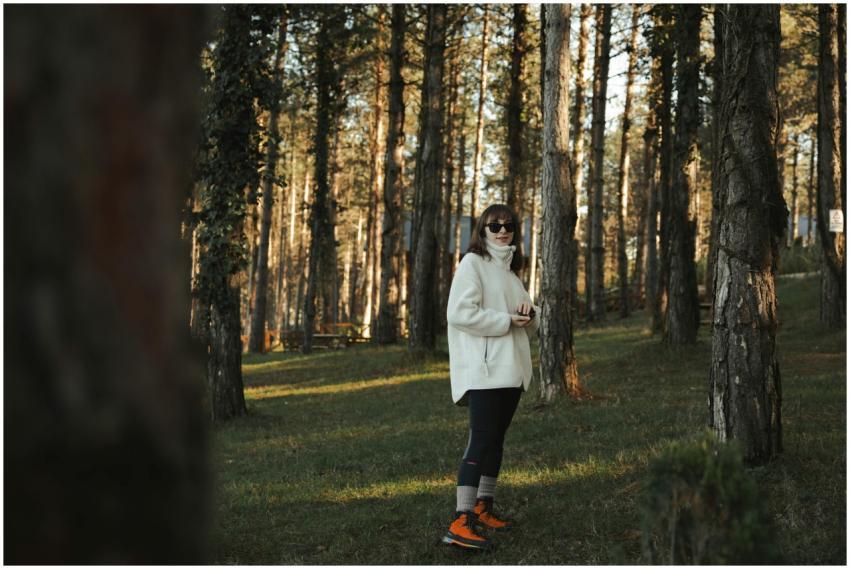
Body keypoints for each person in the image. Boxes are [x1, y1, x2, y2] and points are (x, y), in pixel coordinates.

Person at [441, 204, 539, 551]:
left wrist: (529, 315)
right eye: (494, 225)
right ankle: (460, 521)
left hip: (510, 371)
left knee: (495, 442)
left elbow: (527, 315)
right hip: (484, 371)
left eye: (508, 225)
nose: (502, 230)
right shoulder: (472, 264)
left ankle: (483, 508)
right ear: (482, 229)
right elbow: (458, 313)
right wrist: (505, 320)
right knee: (481, 441)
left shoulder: (511, 272)